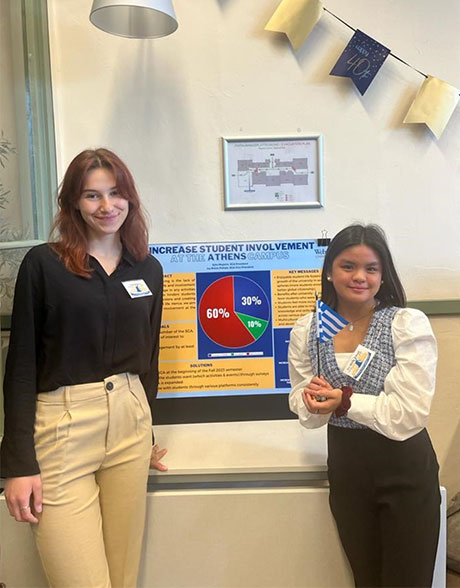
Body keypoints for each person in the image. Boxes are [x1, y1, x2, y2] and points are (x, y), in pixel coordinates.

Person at [1, 148, 166, 588]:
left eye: (116, 193)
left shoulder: (148, 270)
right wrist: (17, 462)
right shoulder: (44, 265)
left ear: (130, 198)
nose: (106, 206)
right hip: (63, 428)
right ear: (73, 202)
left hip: (130, 425)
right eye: (92, 196)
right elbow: (20, 366)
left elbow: (148, 358)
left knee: (122, 577)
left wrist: (146, 433)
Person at [288, 224, 440, 588]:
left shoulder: (406, 323)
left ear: (382, 274)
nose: (360, 277)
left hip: (404, 469)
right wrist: (311, 400)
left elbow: (409, 414)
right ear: (329, 270)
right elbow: (302, 406)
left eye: (371, 268)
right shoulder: (308, 329)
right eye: (348, 266)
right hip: (347, 471)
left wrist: (345, 403)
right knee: (365, 580)